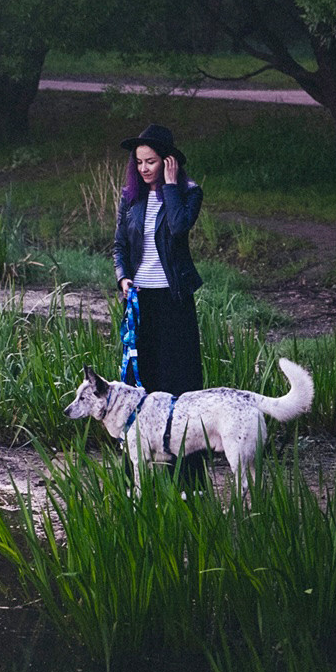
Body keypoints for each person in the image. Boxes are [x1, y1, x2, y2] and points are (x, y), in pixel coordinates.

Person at [112, 123, 209, 482]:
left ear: (168, 161)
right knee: (142, 385)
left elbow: (179, 228)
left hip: (174, 301)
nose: (143, 169)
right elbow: (120, 245)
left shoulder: (188, 193)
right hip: (140, 304)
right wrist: (122, 276)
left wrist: (169, 187)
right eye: (139, 162)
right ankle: (138, 473)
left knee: (181, 385)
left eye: (151, 161)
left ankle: (188, 476)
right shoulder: (130, 198)